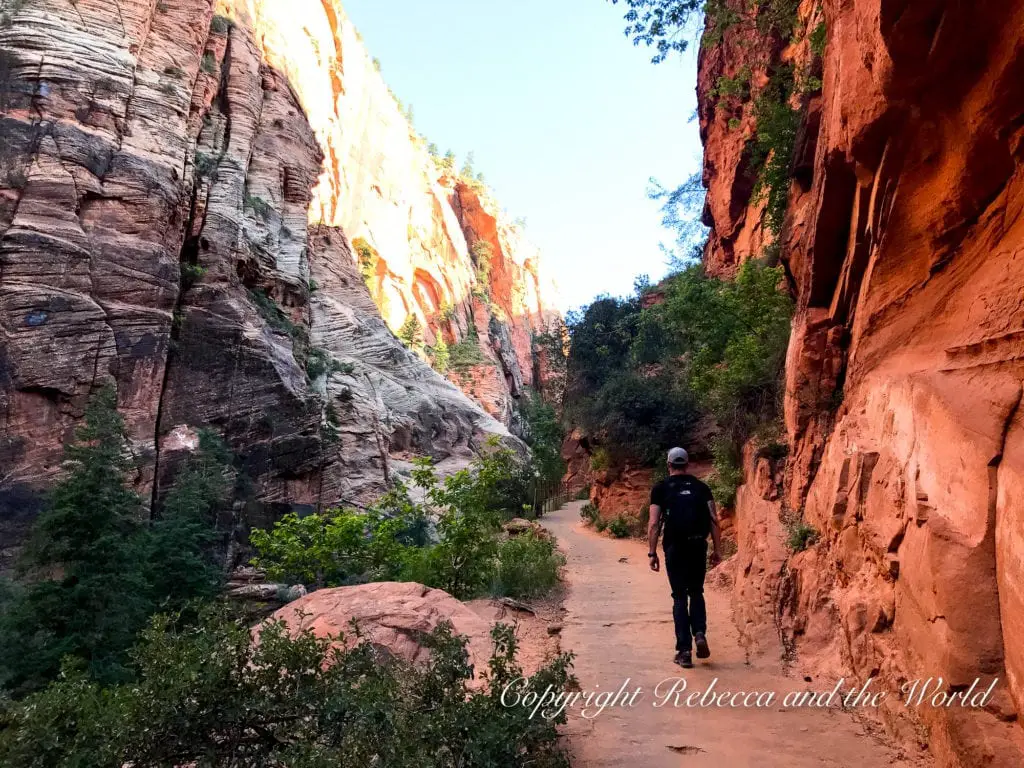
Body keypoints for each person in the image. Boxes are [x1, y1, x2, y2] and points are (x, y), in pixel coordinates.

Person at [647, 447, 722, 668]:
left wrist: (652, 553)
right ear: (687, 464)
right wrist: (717, 550)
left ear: (669, 465)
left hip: (675, 547)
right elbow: (714, 520)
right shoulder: (701, 487)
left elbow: (653, 524)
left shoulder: (661, 488)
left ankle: (684, 651)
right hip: (698, 545)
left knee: (679, 596)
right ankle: (699, 633)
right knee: (696, 591)